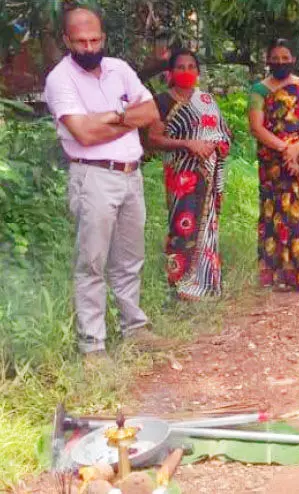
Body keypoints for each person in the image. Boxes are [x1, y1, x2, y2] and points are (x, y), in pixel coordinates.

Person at [44, 6, 164, 363]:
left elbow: (152, 111)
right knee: (92, 262)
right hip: (92, 176)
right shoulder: (59, 79)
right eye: (80, 41)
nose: (89, 46)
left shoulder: (120, 69)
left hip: (131, 174)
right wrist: (126, 116)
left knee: (130, 258)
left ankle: (135, 329)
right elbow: (82, 133)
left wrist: (110, 118)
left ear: (103, 37)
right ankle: (92, 346)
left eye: (95, 39)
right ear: (67, 40)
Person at [147, 50, 232, 300]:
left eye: (191, 66)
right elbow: (153, 139)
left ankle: (206, 283)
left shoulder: (206, 100)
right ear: (170, 73)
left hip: (209, 172)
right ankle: (179, 287)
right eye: (180, 67)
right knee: (181, 228)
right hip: (181, 176)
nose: (186, 71)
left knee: (207, 225)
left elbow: (223, 133)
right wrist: (188, 144)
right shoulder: (161, 101)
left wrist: (214, 145)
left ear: (197, 71)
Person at [248, 39, 299, 292]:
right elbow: (256, 127)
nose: (280, 62)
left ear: (293, 59)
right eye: (275, 58)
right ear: (267, 60)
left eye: (285, 58)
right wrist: (285, 150)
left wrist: (298, 148)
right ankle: (281, 273)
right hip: (274, 162)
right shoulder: (258, 91)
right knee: (277, 214)